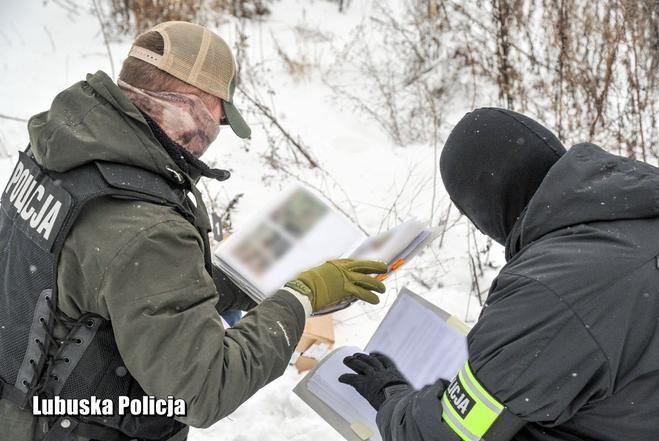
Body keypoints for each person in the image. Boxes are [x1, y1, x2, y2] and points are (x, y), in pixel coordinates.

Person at [0, 21, 387, 441]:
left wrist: (233, 282)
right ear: (186, 105)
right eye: (220, 113)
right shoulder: (149, 226)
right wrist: (300, 298)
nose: (219, 127)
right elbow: (203, 388)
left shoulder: (61, 156)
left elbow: (107, 281)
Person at [339, 107, 659, 441]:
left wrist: (391, 396)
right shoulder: (639, 207)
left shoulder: (550, 291)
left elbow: (448, 433)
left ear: (486, 209)